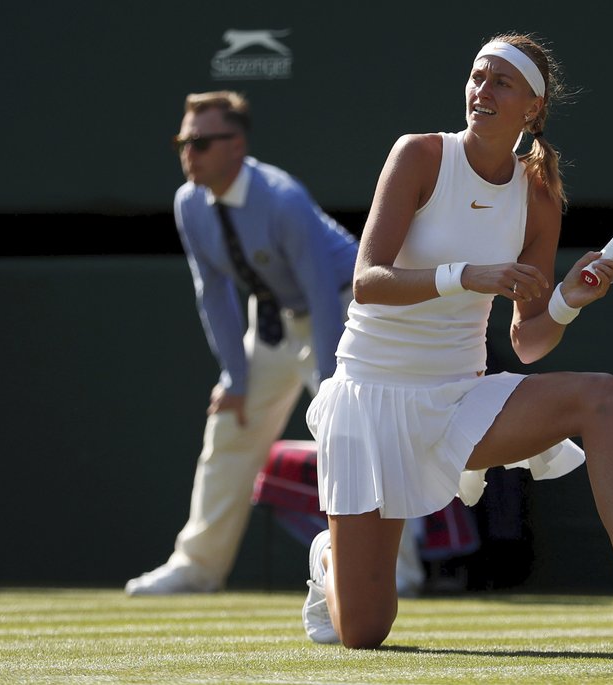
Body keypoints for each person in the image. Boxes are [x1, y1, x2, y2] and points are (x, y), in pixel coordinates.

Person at [299, 34, 613, 654]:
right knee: (365, 631)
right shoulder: (420, 156)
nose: (481, 91)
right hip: (370, 399)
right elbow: (367, 282)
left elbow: (530, 341)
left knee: (600, 397)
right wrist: (467, 274)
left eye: (500, 83)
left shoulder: (539, 195)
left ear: (532, 110)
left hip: (459, 400)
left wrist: (569, 299)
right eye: (477, 77)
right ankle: (330, 560)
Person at [125, 90, 425, 597]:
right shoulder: (189, 203)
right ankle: (198, 566)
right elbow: (213, 291)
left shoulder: (282, 198)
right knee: (229, 423)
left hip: (346, 311)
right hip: (273, 321)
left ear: (236, 145)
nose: (188, 154)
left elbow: (321, 294)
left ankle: (400, 572)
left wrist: (334, 383)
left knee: (358, 436)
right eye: (183, 141)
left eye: (200, 142)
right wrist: (234, 379)